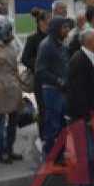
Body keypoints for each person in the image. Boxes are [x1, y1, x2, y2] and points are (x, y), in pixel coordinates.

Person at [66, 29, 94, 186]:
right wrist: (87, 117)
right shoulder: (79, 60)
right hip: (81, 116)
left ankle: (89, 185)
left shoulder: (93, 57)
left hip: (88, 114)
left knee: (90, 151)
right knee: (85, 152)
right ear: (88, 42)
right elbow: (78, 92)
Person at [0, 16, 24, 164]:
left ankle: (10, 148)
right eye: (7, 28)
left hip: (13, 88)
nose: (9, 31)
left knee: (13, 121)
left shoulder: (10, 46)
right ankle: (2, 152)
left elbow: (15, 69)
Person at [36, 17, 72, 160]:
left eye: (67, 27)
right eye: (64, 28)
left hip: (62, 91)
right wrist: (58, 81)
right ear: (56, 28)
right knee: (52, 125)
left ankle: (59, 154)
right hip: (51, 91)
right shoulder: (46, 46)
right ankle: (49, 155)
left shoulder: (61, 44)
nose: (67, 30)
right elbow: (40, 71)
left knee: (62, 125)